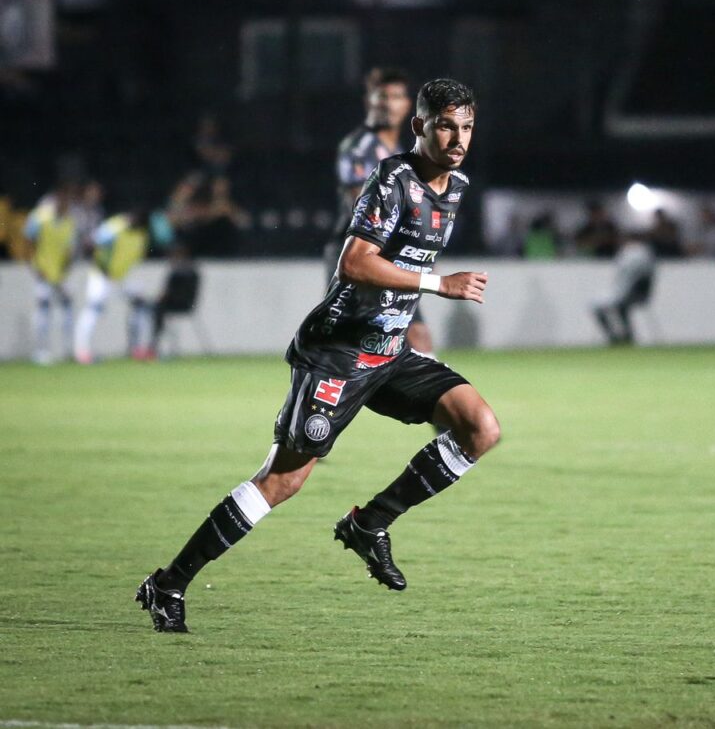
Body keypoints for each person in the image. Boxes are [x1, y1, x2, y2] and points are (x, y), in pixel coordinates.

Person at [135, 79, 499, 634]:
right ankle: (169, 583)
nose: (458, 138)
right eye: (446, 125)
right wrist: (436, 283)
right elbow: (353, 264)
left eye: (466, 126)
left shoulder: (456, 186)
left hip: (392, 353)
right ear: (419, 126)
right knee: (282, 481)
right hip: (340, 351)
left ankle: (370, 523)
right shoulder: (392, 180)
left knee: (480, 427)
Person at [324, 68, 432, 354]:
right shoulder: (358, 148)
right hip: (358, 254)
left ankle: (426, 396)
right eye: (382, 96)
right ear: (369, 101)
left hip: (390, 256)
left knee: (415, 335)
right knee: (350, 347)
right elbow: (361, 205)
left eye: (396, 96)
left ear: (408, 104)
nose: (389, 103)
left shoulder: (400, 149)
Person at [73, 210, 164, 363]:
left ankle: (137, 348)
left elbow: (136, 255)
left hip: (120, 277)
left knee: (140, 304)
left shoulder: (141, 234)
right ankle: (82, 351)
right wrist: (103, 266)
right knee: (94, 309)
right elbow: (91, 244)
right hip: (101, 276)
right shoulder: (114, 228)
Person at [23, 183, 78, 364]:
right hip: (43, 272)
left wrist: (66, 270)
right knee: (43, 309)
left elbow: (69, 250)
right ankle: (41, 351)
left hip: (61, 274)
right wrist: (35, 267)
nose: (65, 206)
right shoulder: (40, 218)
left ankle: (67, 350)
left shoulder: (69, 222)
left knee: (68, 308)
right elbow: (28, 242)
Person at [593, 231, 657, 345]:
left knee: (615, 306)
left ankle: (616, 337)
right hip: (629, 292)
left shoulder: (633, 254)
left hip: (633, 292)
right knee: (618, 307)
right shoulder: (643, 253)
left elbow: (635, 277)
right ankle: (625, 336)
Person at [144, 243, 201, 358]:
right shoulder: (193, 271)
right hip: (188, 305)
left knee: (154, 309)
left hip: (173, 305)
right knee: (156, 309)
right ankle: (152, 345)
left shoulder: (176, 273)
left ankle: (152, 345)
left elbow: (165, 294)